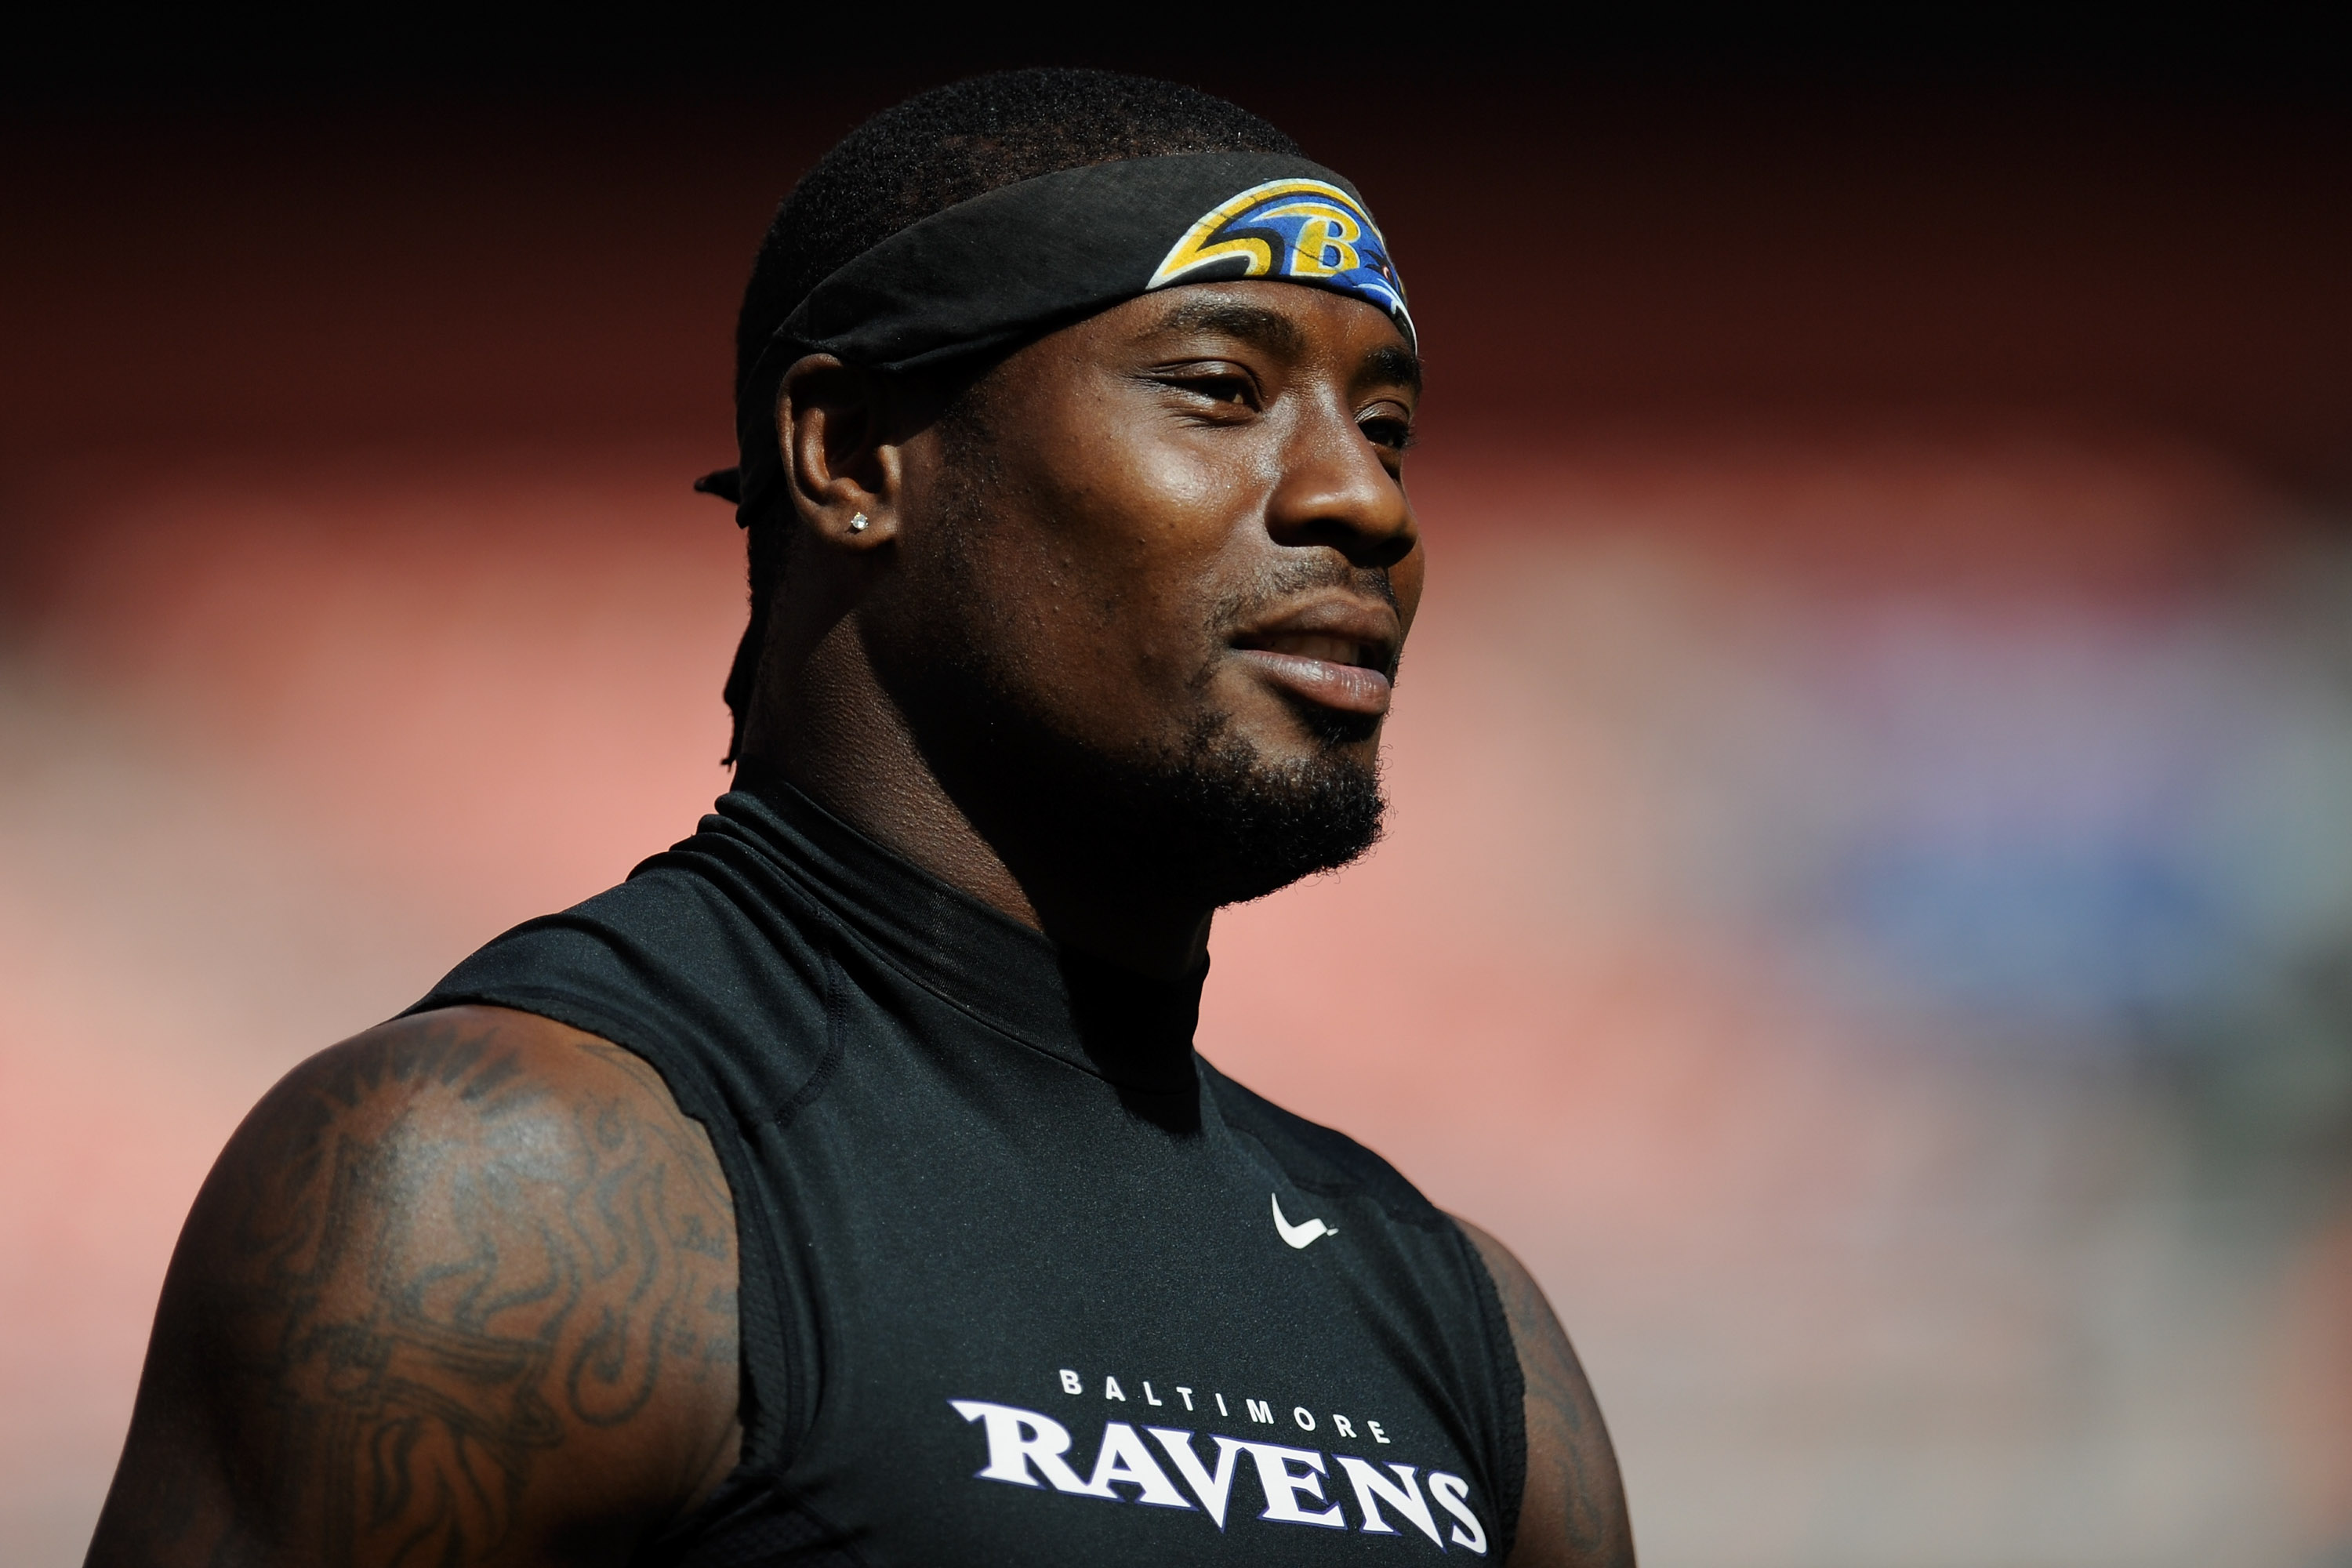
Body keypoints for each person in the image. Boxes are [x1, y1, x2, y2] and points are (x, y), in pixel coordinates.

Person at [85, 68, 1632, 1567]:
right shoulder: (501, 1193)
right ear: (846, 458)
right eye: (1221, 390)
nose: (1368, 502)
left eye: (1389, 428)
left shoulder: (1469, 1331)